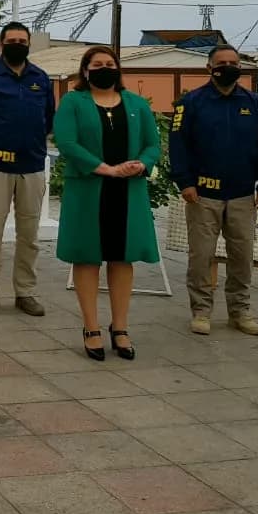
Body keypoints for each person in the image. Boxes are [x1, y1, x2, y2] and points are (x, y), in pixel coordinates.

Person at [53, 46, 161, 361]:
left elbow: (153, 145)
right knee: (87, 257)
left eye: (109, 63)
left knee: (121, 257)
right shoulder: (73, 102)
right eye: (97, 64)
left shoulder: (136, 105)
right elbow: (67, 143)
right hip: (89, 189)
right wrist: (106, 169)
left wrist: (141, 163)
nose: (104, 68)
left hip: (127, 191)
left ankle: (121, 327)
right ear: (85, 71)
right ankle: (91, 328)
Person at [169, 44, 258, 337]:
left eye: (234, 62)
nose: (228, 66)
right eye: (222, 62)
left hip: (244, 195)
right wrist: (185, 182)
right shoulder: (190, 103)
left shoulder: (255, 104)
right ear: (209, 68)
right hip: (203, 194)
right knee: (201, 256)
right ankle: (201, 311)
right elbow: (178, 146)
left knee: (242, 256)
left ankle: (240, 311)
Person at [0, 20, 56, 318]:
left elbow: (48, 120)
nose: (18, 44)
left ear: (29, 44)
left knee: (29, 236)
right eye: (12, 40)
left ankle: (25, 292)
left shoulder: (41, 79)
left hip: (31, 168)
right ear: (2, 45)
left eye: (23, 40)